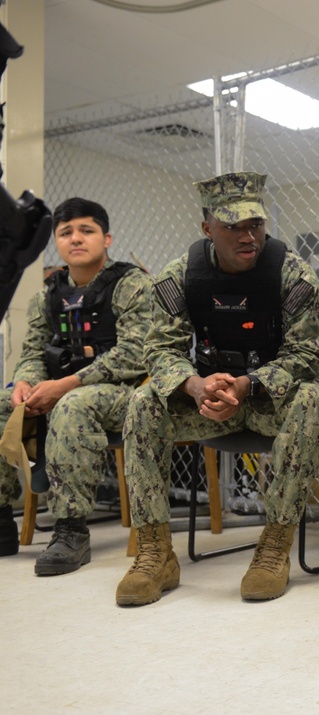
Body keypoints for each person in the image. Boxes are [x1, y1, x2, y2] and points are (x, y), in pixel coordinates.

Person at [115, 172, 319, 606]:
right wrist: (195, 386)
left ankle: (274, 545)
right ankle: (156, 553)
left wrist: (250, 384)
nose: (247, 235)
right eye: (232, 226)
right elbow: (158, 350)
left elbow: (310, 354)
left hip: (272, 396)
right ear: (206, 228)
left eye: (254, 223)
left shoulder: (291, 274)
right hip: (211, 397)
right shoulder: (182, 276)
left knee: (311, 398)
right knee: (142, 402)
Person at [0, 197, 152, 574]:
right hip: (67, 387)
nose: (76, 239)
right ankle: (1, 520)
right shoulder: (47, 296)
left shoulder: (132, 284)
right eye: (66, 232)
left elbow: (135, 354)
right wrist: (25, 383)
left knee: (72, 404)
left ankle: (71, 529)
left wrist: (65, 385)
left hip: (128, 391)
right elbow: (34, 352)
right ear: (57, 241)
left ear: (107, 238)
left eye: (87, 230)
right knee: (3, 403)